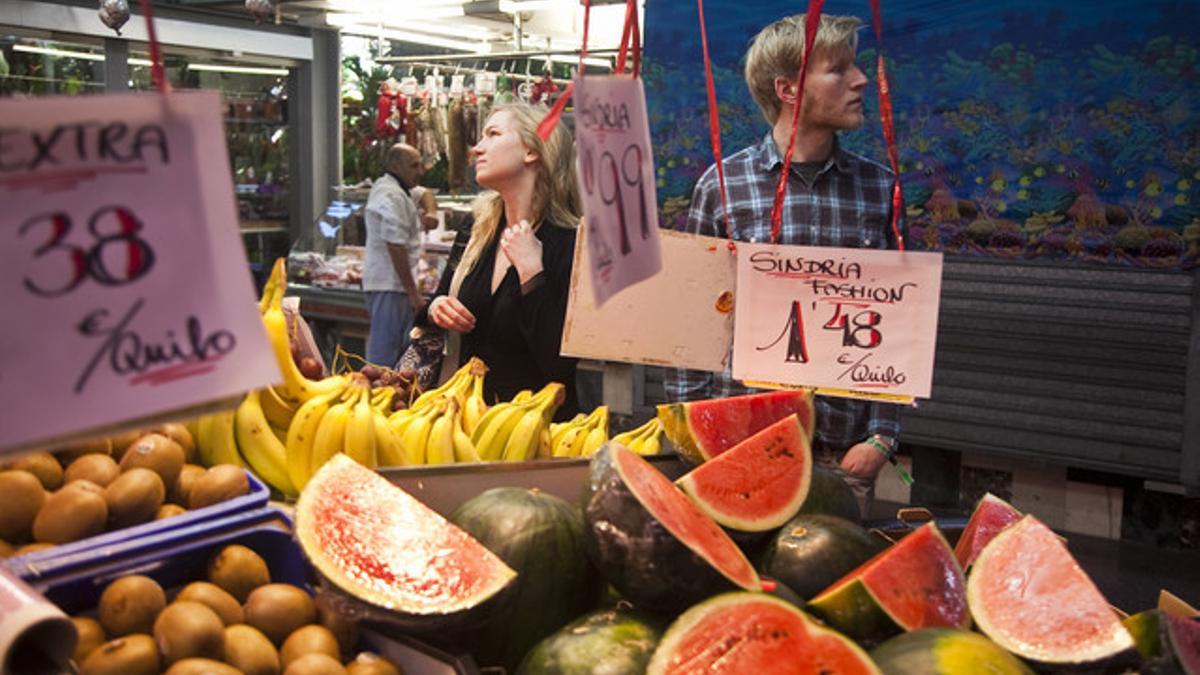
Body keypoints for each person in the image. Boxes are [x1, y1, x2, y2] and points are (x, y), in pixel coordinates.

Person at [665, 13, 903, 516]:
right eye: (838, 69)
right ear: (788, 89)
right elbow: (691, 322)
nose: (861, 80)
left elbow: (896, 325)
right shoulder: (722, 185)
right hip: (740, 447)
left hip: (843, 454)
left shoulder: (881, 189)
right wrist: (695, 437)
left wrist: (883, 436)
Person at [418, 103, 583, 420]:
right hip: (462, 420)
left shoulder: (570, 242)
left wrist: (531, 272)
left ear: (532, 151)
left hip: (535, 431)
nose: (478, 148)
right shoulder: (477, 228)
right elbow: (432, 304)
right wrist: (437, 307)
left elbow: (559, 363)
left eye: (493, 134)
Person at [363, 143, 426, 367]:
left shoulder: (393, 189)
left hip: (392, 286)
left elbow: (424, 193)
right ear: (396, 166)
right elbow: (395, 245)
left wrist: (432, 209)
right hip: (390, 286)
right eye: (414, 166)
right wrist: (413, 293)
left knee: (396, 352)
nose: (420, 171)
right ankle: (374, 398)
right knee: (384, 356)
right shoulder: (391, 194)